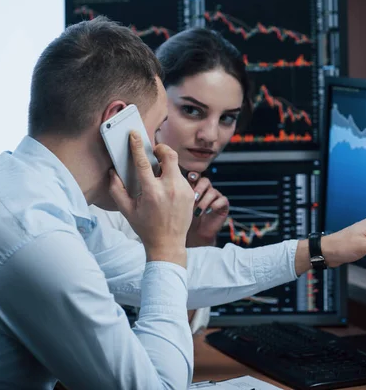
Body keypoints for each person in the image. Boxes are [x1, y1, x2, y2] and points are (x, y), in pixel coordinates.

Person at [0, 16, 366, 389]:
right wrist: (165, 248)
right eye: (158, 122)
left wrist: (321, 248)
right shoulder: (38, 238)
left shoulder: (11, 186)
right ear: (116, 123)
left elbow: (191, 275)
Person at [90, 28, 251, 334]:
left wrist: (197, 241)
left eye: (227, 118)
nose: (211, 136)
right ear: (156, 99)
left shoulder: (189, 196)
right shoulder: (99, 197)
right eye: (192, 111)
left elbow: (178, 331)